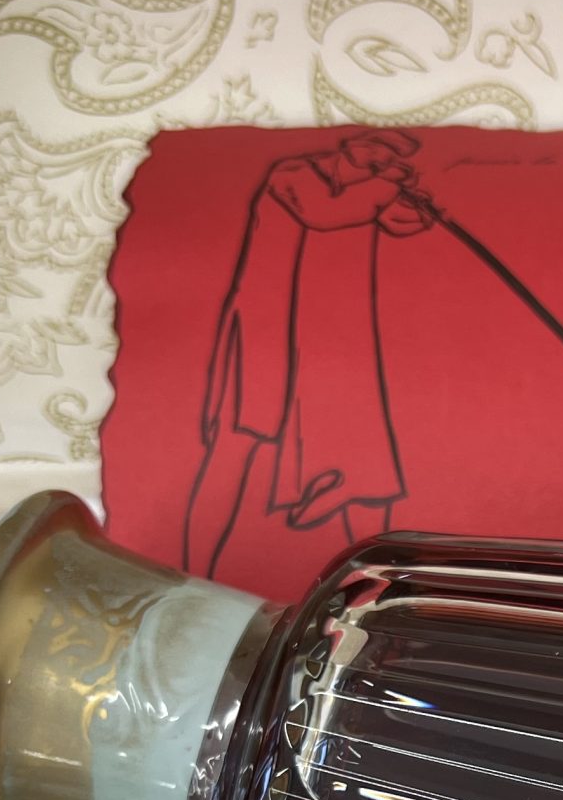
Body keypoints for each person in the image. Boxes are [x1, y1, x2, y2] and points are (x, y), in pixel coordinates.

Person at [185, 130, 433, 574]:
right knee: (236, 447)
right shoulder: (295, 173)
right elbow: (323, 211)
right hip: (265, 332)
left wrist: (417, 202)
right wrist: (385, 189)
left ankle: (378, 584)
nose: (380, 155)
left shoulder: (373, 190)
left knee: (363, 465)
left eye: (391, 151)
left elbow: (406, 222)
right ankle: (189, 572)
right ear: (351, 143)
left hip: (329, 345)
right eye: (375, 144)